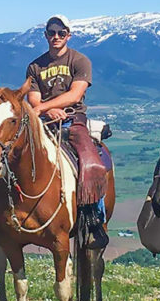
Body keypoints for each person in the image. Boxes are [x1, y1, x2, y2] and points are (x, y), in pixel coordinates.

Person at [24, 15, 110, 248]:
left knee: (93, 161)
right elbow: (33, 98)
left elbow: (75, 94)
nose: (56, 37)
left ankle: (95, 218)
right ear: (45, 35)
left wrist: (44, 107)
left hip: (73, 119)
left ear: (68, 35)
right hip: (43, 121)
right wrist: (45, 112)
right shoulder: (35, 66)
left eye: (61, 33)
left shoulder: (80, 61)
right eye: (52, 33)